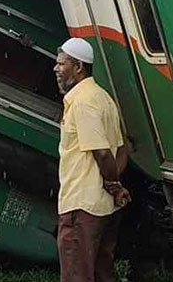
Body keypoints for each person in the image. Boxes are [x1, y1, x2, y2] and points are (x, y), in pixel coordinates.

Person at [54, 38, 130, 282]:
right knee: (100, 274)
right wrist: (114, 187)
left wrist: (111, 183)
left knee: (78, 275)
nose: (56, 69)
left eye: (61, 64)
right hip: (102, 208)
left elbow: (104, 153)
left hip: (81, 206)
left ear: (78, 67)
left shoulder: (84, 103)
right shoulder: (103, 98)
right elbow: (122, 150)